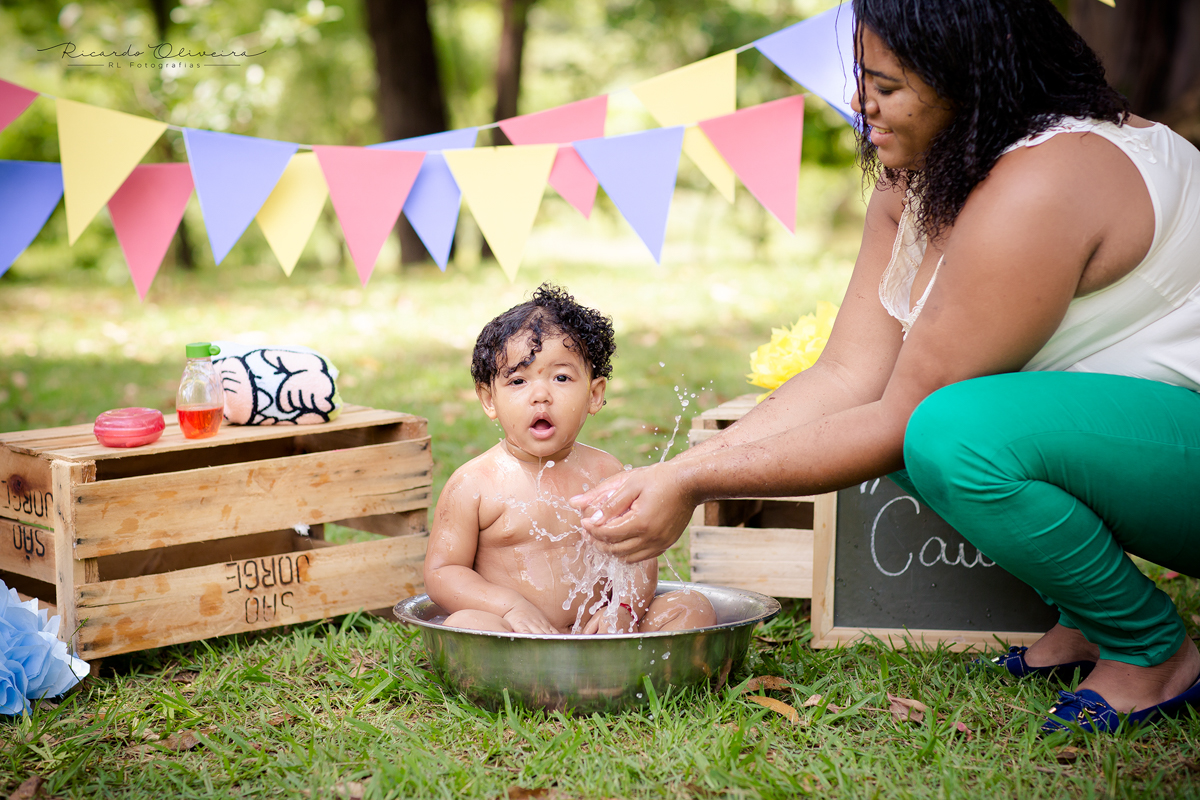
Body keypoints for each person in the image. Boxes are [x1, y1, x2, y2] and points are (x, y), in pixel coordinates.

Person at [572, 0, 1200, 733]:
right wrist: (673, 471)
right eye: (860, 78)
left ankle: (1151, 650)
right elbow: (848, 376)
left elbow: (904, 416)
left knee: (947, 432)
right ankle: (1087, 622)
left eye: (888, 86)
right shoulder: (929, 173)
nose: (859, 104)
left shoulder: (1045, 183)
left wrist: (690, 482)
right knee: (915, 424)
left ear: (971, 80)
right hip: (1135, 440)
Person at [424, 283, 716, 635]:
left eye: (561, 377)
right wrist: (509, 607)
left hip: (598, 631)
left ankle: (624, 673)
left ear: (594, 395)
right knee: (465, 624)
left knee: (691, 607)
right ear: (489, 400)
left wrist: (623, 608)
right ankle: (526, 678)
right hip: (516, 633)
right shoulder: (474, 484)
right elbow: (443, 574)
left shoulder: (605, 473)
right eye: (518, 381)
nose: (541, 396)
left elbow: (638, 557)